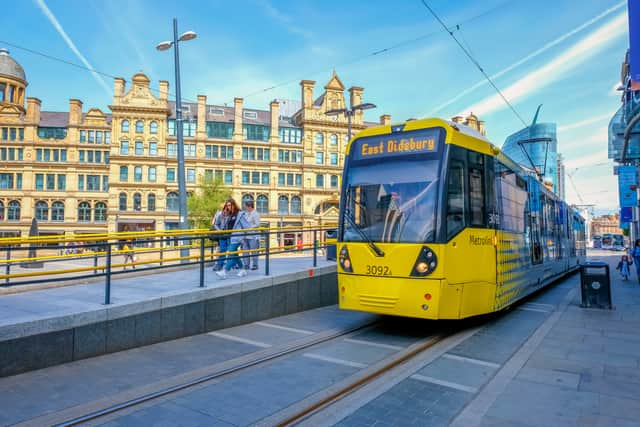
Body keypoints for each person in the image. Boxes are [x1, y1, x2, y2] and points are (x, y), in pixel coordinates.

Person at [215, 199, 250, 279]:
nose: (228, 207)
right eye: (227, 205)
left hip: (238, 237)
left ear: (234, 205)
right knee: (234, 254)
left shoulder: (240, 214)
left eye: (229, 205)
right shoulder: (229, 215)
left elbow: (247, 226)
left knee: (231, 253)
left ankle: (224, 271)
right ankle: (243, 269)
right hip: (231, 237)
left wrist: (244, 236)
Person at [213, 200, 237, 272]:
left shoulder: (232, 214)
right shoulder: (220, 214)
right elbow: (215, 224)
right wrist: (219, 230)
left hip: (230, 235)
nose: (227, 209)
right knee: (223, 250)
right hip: (222, 235)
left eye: (228, 207)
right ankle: (219, 265)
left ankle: (233, 264)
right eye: (225, 207)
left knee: (232, 250)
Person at [241, 200, 261, 271]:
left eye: (246, 207)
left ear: (250, 206)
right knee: (245, 251)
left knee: (254, 251)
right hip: (245, 235)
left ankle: (255, 265)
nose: (245, 208)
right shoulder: (245, 214)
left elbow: (258, 224)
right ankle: (246, 265)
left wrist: (250, 227)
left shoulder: (256, 214)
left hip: (253, 236)